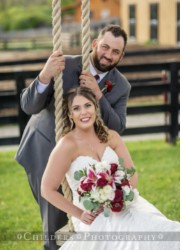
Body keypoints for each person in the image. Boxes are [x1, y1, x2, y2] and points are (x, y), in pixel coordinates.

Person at [15, 25, 131, 250]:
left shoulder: (121, 85)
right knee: (55, 219)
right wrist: (45, 75)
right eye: (105, 47)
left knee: (88, 218)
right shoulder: (65, 64)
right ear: (95, 43)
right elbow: (29, 106)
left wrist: (99, 95)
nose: (108, 55)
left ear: (122, 55)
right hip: (45, 148)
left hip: (83, 160)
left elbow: (118, 126)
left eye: (115, 52)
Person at [41, 86, 179, 250]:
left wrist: (119, 197)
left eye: (88, 105)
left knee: (158, 227)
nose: (84, 112)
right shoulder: (67, 145)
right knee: (131, 235)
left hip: (125, 204)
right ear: (70, 115)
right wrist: (80, 214)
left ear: (95, 107)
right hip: (92, 215)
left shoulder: (111, 136)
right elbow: (47, 189)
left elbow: (132, 176)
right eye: (76, 108)